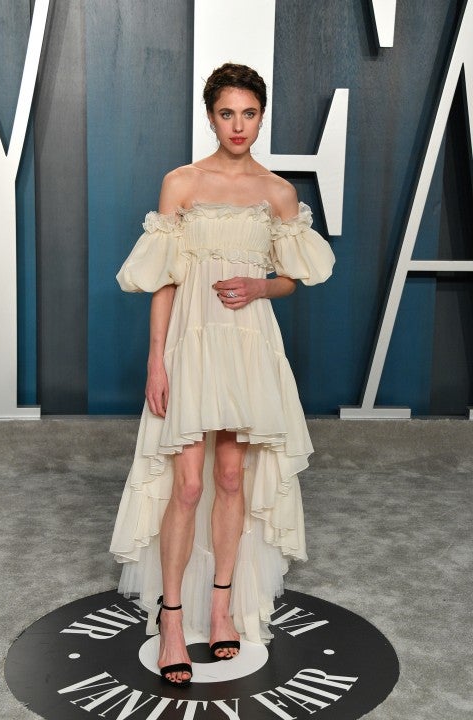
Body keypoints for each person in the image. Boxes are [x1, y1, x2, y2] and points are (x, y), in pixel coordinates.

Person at [110, 63, 335, 686]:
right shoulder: (181, 183)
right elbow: (163, 278)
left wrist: (261, 285)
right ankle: (172, 620)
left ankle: (221, 607)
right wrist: (156, 358)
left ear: (262, 117)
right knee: (186, 486)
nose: (239, 125)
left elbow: (293, 278)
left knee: (231, 476)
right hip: (192, 344)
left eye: (249, 113)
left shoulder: (278, 192)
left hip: (247, 346)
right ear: (210, 117)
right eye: (227, 113)